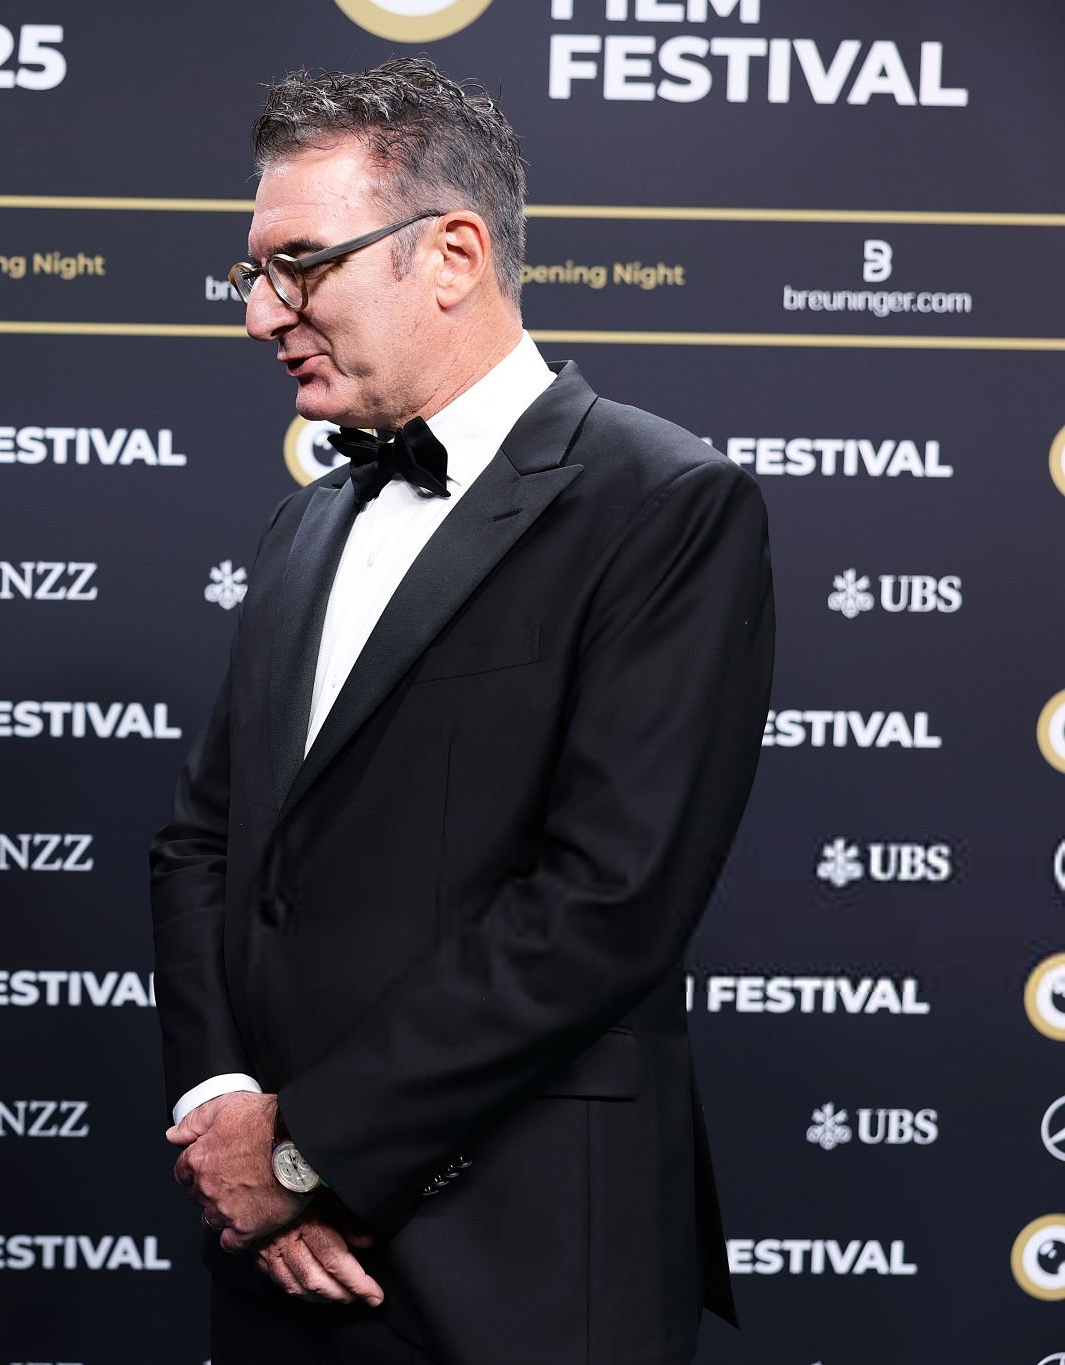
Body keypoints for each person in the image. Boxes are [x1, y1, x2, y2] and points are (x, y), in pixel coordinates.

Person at [151, 61, 772, 1364]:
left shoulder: (663, 504)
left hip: (519, 1261)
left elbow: (607, 902)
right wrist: (227, 1114)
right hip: (272, 1264)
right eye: (252, 274)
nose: (260, 315)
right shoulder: (302, 525)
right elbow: (203, 842)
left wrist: (310, 1149)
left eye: (298, 266)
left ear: (450, 255)